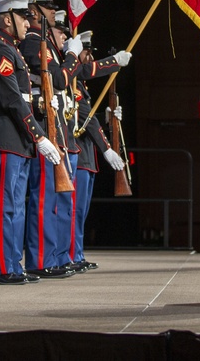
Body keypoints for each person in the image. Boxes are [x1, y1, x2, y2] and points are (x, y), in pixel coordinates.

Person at [0, 0, 62, 285]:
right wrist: (38, 136)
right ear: (6, 20)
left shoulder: (12, 50)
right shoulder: (0, 51)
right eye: (23, 18)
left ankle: (13, 263)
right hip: (7, 133)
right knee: (5, 204)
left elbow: (23, 98)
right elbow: (12, 99)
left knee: (17, 204)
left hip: (17, 136)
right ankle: (0, 267)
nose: (28, 22)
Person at [17, 0, 83, 279]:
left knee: (57, 200)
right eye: (49, 8)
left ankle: (54, 257)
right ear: (35, 12)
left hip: (58, 128)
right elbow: (58, 78)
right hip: (45, 128)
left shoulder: (45, 44)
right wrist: (71, 57)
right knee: (45, 199)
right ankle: (40, 259)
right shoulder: (33, 43)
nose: (55, 13)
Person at [68, 29, 131, 272]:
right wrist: (113, 62)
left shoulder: (81, 85)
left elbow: (89, 120)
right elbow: (84, 119)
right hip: (79, 155)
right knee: (73, 211)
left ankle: (77, 253)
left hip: (86, 155)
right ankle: (71, 255)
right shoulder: (74, 83)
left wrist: (107, 119)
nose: (89, 58)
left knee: (80, 212)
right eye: (86, 53)